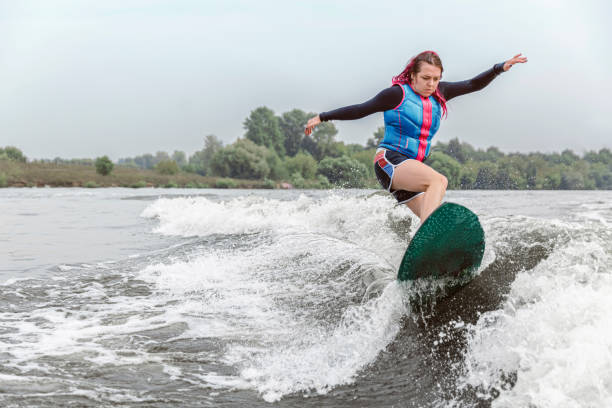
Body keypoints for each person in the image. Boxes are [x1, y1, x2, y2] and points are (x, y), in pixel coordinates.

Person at [304, 51, 527, 222]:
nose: (431, 84)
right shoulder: (396, 94)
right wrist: (323, 117)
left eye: (436, 79)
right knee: (438, 181)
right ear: (413, 76)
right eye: (426, 78)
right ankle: (426, 238)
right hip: (390, 161)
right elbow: (361, 109)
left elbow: (472, 84)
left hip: (411, 170)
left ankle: (433, 258)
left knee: (439, 220)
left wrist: (500, 68)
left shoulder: (441, 93)